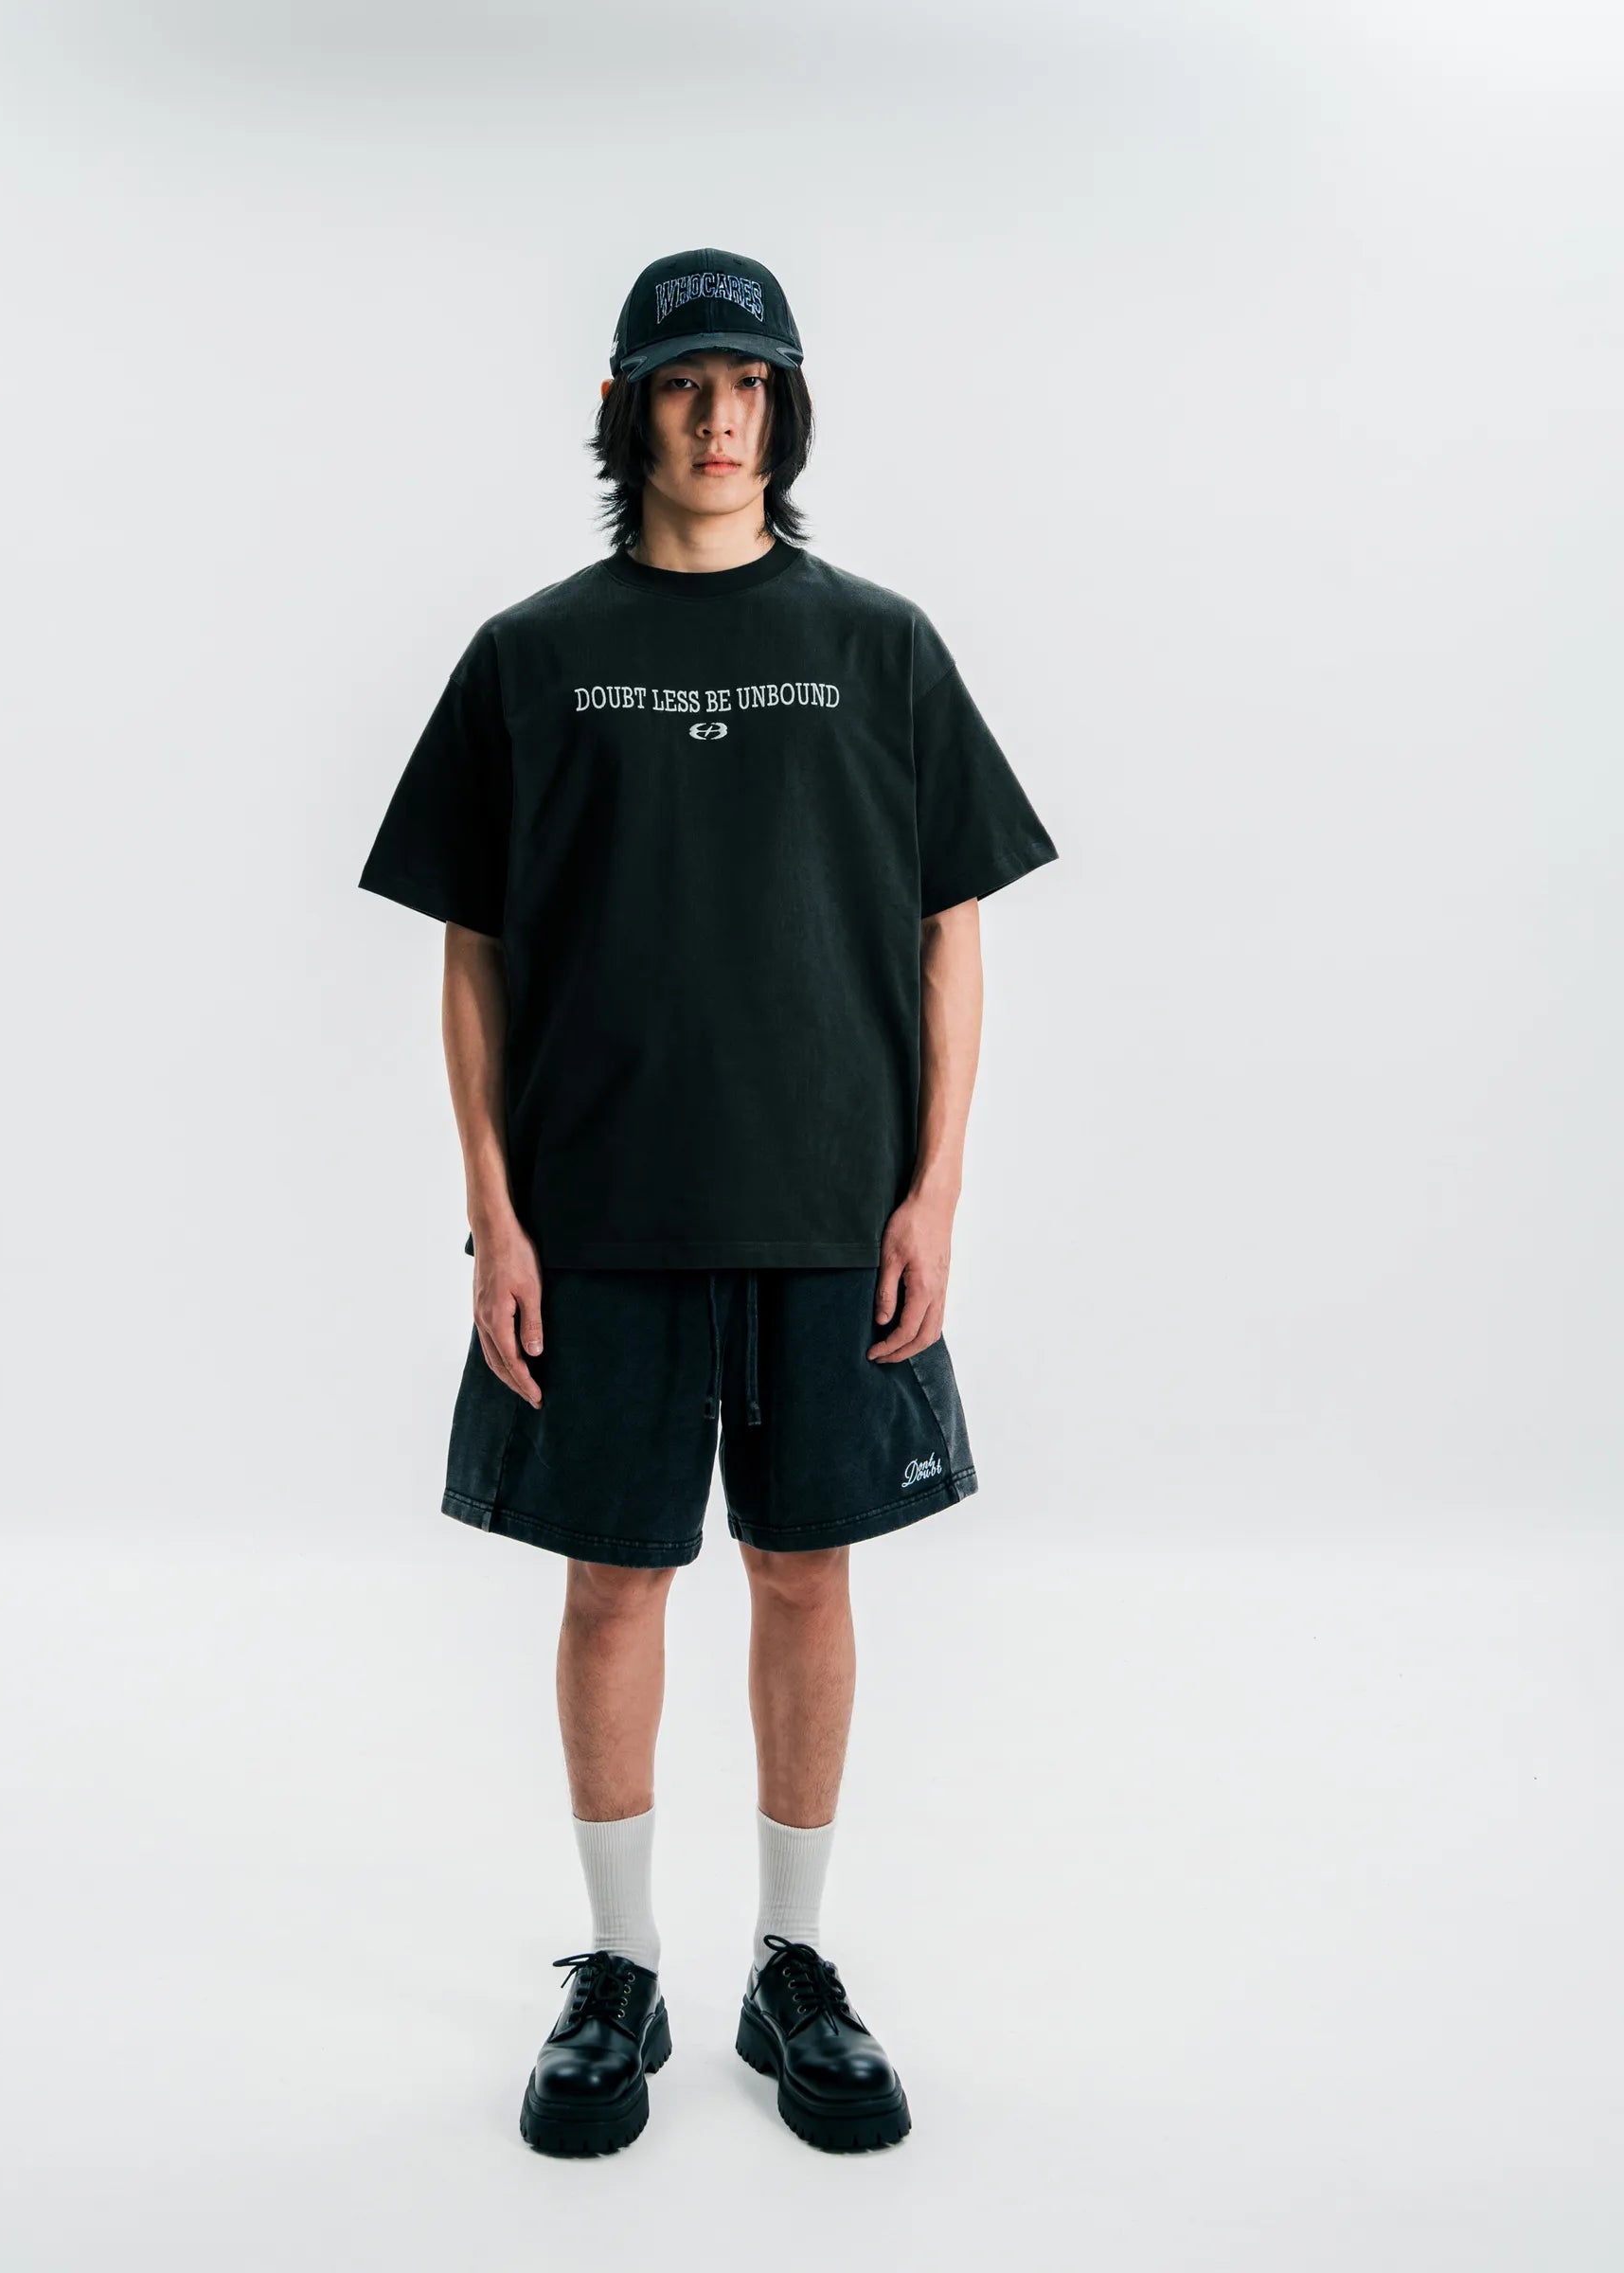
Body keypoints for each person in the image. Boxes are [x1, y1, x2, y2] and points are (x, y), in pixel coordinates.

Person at [358, 246, 1059, 2157]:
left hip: (832, 1203)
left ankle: (793, 1963)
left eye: (751, 382)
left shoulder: (881, 645)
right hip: (597, 1212)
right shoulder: (529, 655)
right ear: (625, 408)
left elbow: (951, 932)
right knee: (613, 1578)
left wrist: (936, 1190)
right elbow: (474, 952)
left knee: (808, 1570)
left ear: (787, 407)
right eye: (686, 383)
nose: (721, 415)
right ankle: (619, 1969)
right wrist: (496, 1212)